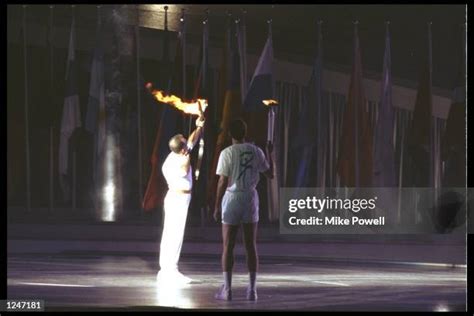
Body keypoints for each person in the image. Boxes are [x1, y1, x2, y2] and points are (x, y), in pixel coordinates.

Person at [213, 118, 274, 301]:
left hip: (232, 198)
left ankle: (228, 289)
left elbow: (223, 181)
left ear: (230, 134)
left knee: (228, 246)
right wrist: (271, 154)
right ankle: (252, 290)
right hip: (250, 198)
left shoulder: (227, 153)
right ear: (245, 133)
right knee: (250, 245)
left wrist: (216, 206)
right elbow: (270, 175)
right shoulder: (257, 151)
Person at [156, 112, 205, 286]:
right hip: (176, 200)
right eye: (185, 145)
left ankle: (167, 270)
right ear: (181, 148)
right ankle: (170, 270)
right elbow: (185, 170)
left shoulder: (178, 153)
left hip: (180, 200)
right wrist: (188, 156)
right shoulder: (175, 162)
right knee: (173, 234)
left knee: (173, 234)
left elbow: (192, 140)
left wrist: (199, 126)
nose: (188, 146)